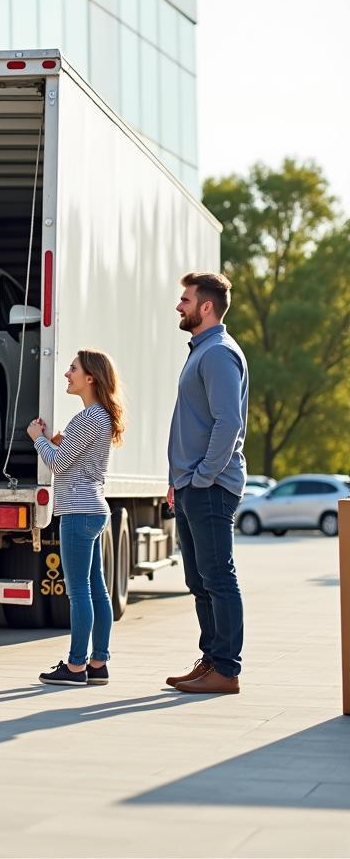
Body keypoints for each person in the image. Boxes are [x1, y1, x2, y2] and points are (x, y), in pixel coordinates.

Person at [166, 271, 248, 695]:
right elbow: (190, 423)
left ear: (207, 306)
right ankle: (211, 660)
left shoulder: (217, 353)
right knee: (199, 581)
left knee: (217, 577)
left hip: (210, 487)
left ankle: (227, 670)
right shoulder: (201, 351)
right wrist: (177, 481)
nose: (179, 306)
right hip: (191, 485)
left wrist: (201, 478)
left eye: (185, 299)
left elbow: (228, 422)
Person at [27, 350, 125, 687]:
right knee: (97, 590)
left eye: (73, 369)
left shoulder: (89, 418)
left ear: (91, 378)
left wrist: (37, 438)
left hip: (78, 511)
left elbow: (56, 464)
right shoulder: (99, 417)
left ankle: (75, 666)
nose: (67, 374)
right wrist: (56, 442)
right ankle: (98, 662)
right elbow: (71, 457)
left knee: (79, 592)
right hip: (94, 509)